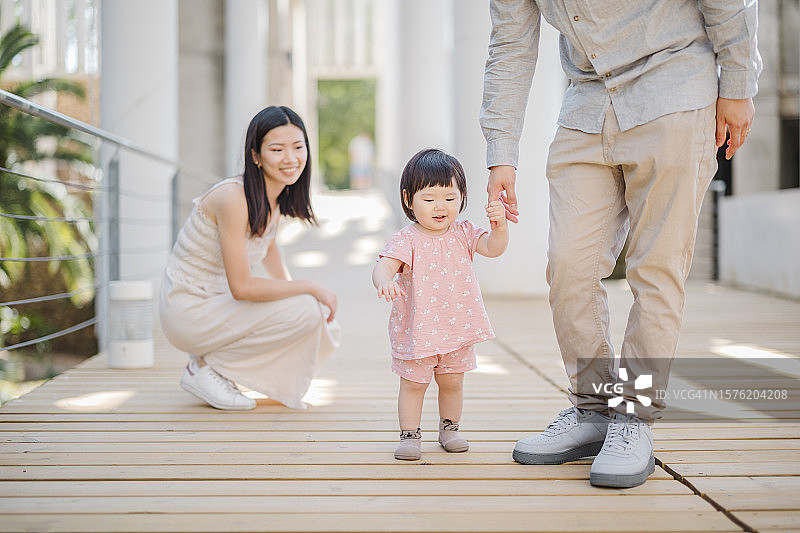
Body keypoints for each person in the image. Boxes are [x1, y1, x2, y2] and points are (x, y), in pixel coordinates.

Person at [480, 1, 761, 488]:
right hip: (587, 104)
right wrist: (500, 153)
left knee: (655, 269)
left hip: (674, 86)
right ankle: (593, 409)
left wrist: (737, 84)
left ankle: (632, 416)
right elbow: (510, 44)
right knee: (569, 265)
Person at [160, 106, 340, 411]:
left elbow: (267, 246)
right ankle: (205, 368)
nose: (290, 158)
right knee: (306, 309)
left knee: (312, 317)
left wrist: (294, 300)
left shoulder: (273, 195)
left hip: (215, 305)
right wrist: (308, 288)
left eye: (298, 147)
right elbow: (242, 288)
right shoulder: (233, 197)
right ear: (255, 155)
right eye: (277, 149)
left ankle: (214, 367)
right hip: (188, 310)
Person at [372, 148, 509, 461]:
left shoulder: (463, 232)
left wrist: (500, 227)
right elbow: (384, 266)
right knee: (413, 385)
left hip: (457, 328)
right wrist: (384, 282)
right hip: (417, 330)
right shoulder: (406, 238)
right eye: (429, 198)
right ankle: (409, 435)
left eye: (450, 198)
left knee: (452, 382)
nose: (441, 207)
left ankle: (450, 429)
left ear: (461, 196)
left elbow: (492, 248)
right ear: (408, 199)